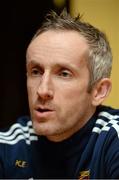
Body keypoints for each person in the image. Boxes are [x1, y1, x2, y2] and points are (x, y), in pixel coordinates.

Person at [0, 9, 119, 179]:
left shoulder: (112, 138)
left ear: (98, 91)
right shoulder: (9, 146)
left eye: (64, 74)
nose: (42, 90)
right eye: (36, 71)